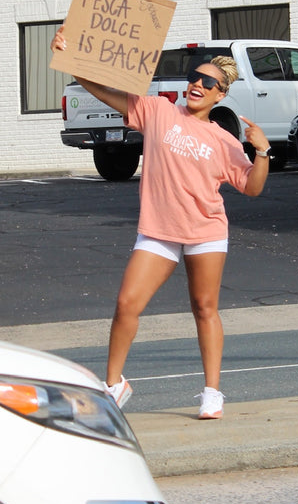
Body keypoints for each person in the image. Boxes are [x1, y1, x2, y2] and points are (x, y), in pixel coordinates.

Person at [51, 30, 270, 418]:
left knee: (204, 308)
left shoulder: (223, 140)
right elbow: (105, 92)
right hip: (158, 231)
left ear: (221, 95)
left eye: (208, 83)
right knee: (126, 305)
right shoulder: (158, 111)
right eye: (194, 79)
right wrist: (71, 61)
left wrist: (262, 150)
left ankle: (212, 393)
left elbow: (251, 188)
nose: (197, 86)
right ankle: (114, 385)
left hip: (205, 232)